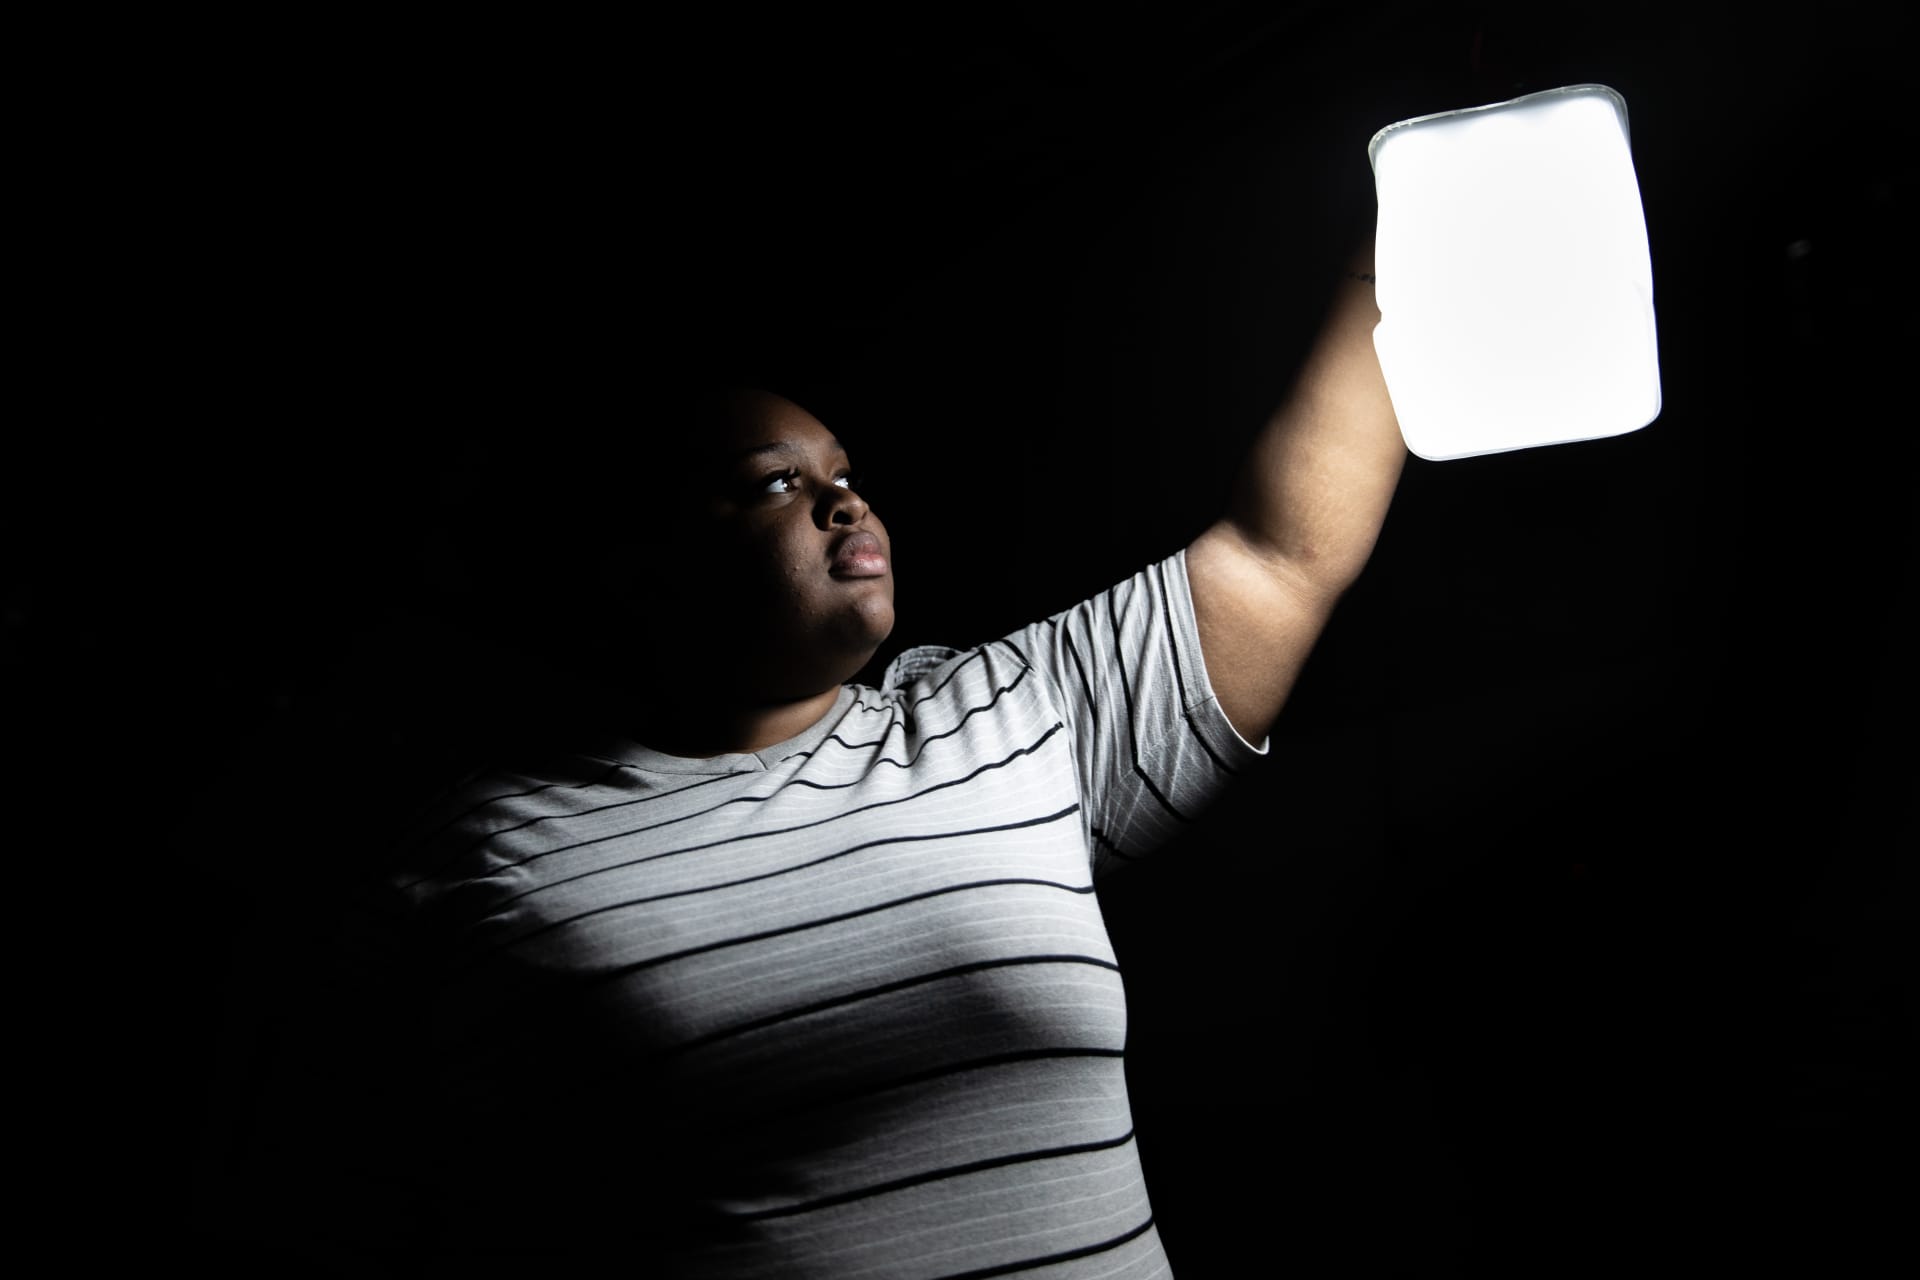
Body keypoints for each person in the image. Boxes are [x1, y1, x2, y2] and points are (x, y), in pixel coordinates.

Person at [209, 237, 1403, 1277]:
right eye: (777, 484)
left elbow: (1275, 551)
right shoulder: (476, 861)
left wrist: (1400, 227)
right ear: (641, 567)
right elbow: (325, 1227)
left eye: (846, 475)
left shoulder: (1010, 717)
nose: (843, 504)